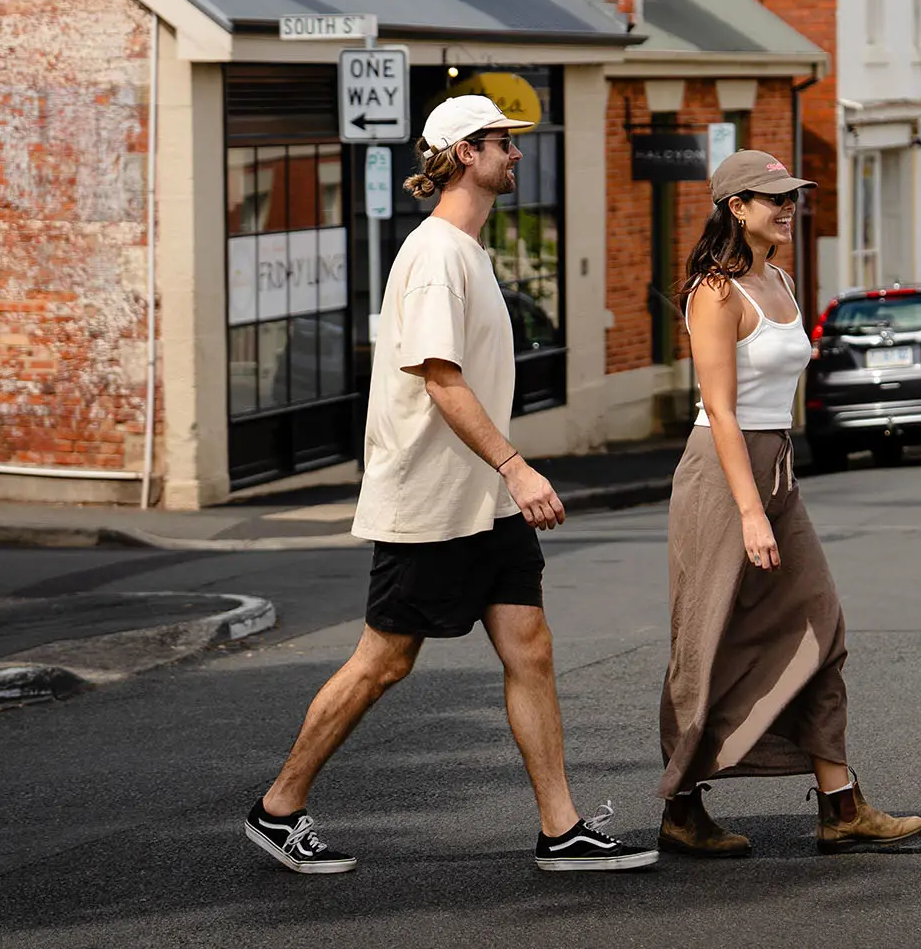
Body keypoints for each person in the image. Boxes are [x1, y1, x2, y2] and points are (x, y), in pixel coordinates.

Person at [244, 95, 656, 875]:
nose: (517, 155)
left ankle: (561, 828)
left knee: (528, 646)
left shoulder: (465, 251)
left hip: (483, 501)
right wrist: (515, 464)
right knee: (384, 661)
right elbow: (440, 380)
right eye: (504, 142)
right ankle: (278, 807)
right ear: (467, 152)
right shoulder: (436, 255)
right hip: (432, 498)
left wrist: (502, 480)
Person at [656, 150, 921, 857]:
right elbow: (719, 411)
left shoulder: (777, 277)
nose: (787, 208)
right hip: (723, 479)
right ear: (735, 208)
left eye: (791, 197)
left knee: (819, 628)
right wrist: (750, 511)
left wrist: (773, 492)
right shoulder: (715, 293)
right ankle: (682, 807)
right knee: (706, 641)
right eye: (771, 198)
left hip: (775, 470)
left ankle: (841, 806)